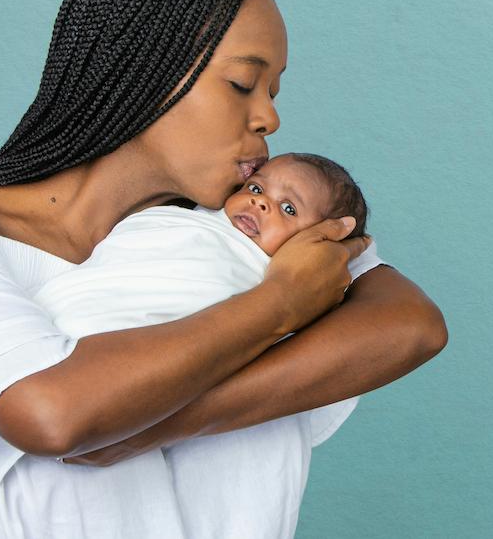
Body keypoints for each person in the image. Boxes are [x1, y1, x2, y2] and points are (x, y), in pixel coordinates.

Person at [0, 0, 447, 539]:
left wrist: (162, 422)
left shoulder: (244, 234)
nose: (270, 117)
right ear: (144, 65)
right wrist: (280, 304)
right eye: (242, 83)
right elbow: (52, 414)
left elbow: (411, 323)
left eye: (274, 91)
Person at [29, 152, 371, 537]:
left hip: (127, 387)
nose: (260, 202)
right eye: (256, 188)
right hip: (78, 353)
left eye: (288, 208)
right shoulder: (184, 220)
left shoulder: (299, 277)